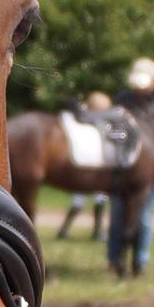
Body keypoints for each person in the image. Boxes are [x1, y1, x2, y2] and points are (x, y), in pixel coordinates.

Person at [107, 57, 154, 276]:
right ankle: (114, 259)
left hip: (147, 173)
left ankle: (141, 260)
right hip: (122, 171)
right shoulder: (123, 100)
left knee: (144, 218)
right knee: (118, 216)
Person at [57, 91, 111, 240]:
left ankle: (66, 230)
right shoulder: (100, 126)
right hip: (91, 169)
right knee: (93, 198)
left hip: (87, 169)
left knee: (84, 200)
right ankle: (95, 231)